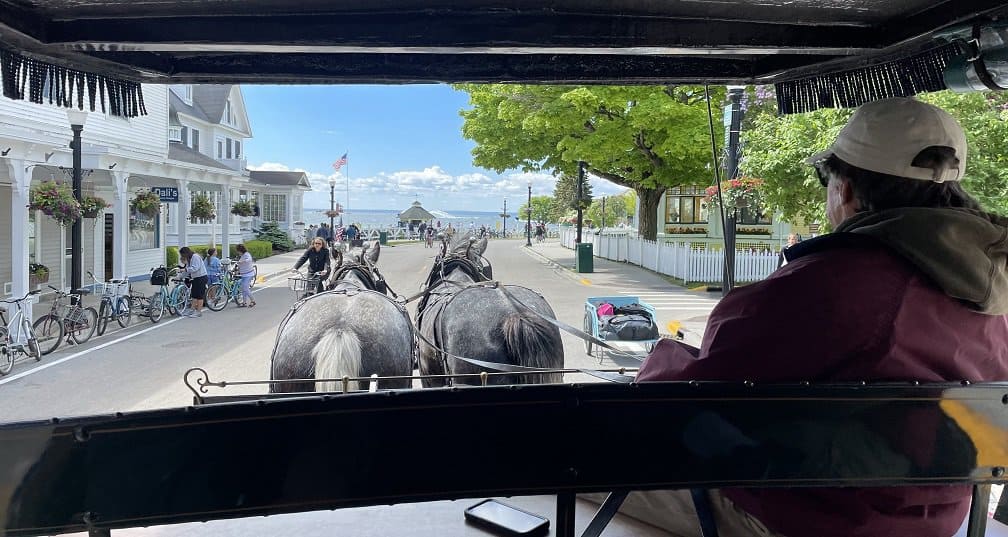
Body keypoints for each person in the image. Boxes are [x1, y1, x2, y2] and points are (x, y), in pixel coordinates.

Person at [626, 98, 1008, 537]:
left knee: (586, 462)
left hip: (804, 517)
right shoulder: (991, 291)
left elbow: (682, 402)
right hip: (938, 519)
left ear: (844, 188)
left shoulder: (829, 284)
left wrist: (662, 358)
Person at [177, 246, 208, 318]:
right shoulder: (189, 259)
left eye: (183, 254)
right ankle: (192, 310)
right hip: (195, 278)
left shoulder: (195, 257)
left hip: (201, 277)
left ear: (186, 253)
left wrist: (184, 270)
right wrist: (180, 276)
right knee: (194, 295)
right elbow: (187, 270)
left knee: (199, 295)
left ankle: (198, 312)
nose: (182, 256)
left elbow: (195, 268)